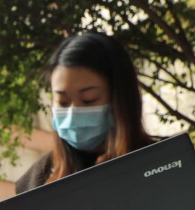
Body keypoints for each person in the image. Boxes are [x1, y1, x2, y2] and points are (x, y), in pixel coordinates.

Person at [16, 32, 154, 193]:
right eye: (63, 102)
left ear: (120, 99)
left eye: (89, 99)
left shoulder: (164, 161)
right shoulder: (34, 182)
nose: (73, 112)